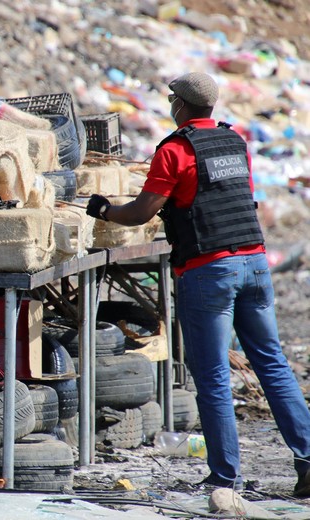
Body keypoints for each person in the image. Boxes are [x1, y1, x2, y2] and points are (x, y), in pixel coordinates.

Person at [86, 71, 310, 496]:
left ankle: (225, 476)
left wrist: (104, 211)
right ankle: (308, 459)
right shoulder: (234, 141)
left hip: (210, 271)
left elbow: (141, 212)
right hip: (256, 264)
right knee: (273, 365)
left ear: (180, 106)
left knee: (211, 377)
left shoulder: (174, 150)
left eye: (172, 100)